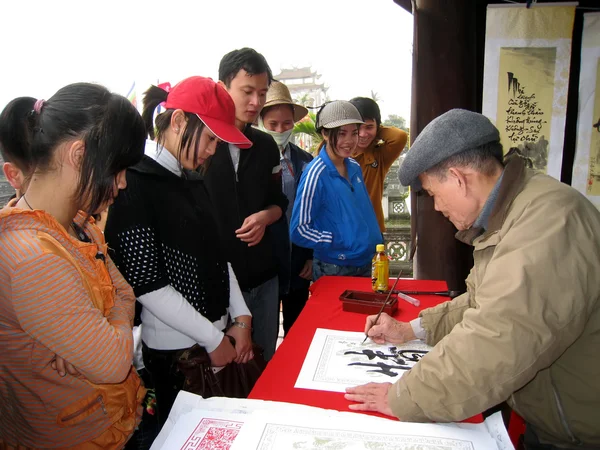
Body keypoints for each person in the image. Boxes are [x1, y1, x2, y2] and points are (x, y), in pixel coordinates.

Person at [344, 109, 600, 450]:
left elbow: (498, 337)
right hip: (557, 417)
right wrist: (413, 329)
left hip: (581, 431)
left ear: (458, 178)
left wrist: (405, 396)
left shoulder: (549, 222)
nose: (437, 208)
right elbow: (483, 301)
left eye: (434, 193)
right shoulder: (513, 212)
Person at [0, 83, 146, 448]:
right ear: (79, 155)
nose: (123, 183)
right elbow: (113, 363)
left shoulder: (74, 224)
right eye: (117, 168)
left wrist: (103, 325)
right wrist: (110, 330)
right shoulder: (33, 258)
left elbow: (125, 292)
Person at [103, 76, 254, 428]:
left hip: (218, 336)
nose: (212, 151)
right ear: (178, 121)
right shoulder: (134, 183)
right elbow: (147, 284)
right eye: (211, 138)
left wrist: (242, 318)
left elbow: (219, 256)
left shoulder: (192, 180)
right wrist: (214, 338)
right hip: (176, 350)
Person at [203, 48, 288, 361]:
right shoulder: (203, 143)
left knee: (264, 364)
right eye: (247, 91)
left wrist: (266, 217)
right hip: (217, 284)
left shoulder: (265, 145)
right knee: (224, 374)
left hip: (264, 279)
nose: (256, 102)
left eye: (262, 93)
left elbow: (279, 201)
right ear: (223, 87)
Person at [290, 101, 382, 281]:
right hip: (334, 267)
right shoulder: (315, 173)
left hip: (365, 262)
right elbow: (299, 230)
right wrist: (337, 239)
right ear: (325, 133)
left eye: (354, 133)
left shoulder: (354, 166)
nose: (349, 141)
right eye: (341, 134)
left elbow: (364, 212)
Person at [258, 81, 313, 335]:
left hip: (299, 264)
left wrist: (313, 256)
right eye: (273, 125)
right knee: (263, 336)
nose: (281, 130)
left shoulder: (305, 161)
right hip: (265, 265)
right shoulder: (251, 162)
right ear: (260, 122)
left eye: (287, 124)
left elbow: (315, 213)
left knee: (297, 332)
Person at [349, 97, 408, 232]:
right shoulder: (337, 156)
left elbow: (399, 137)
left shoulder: (379, 156)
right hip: (342, 231)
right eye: (357, 127)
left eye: (369, 127)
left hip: (372, 231)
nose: (363, 134)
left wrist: (376, 131)